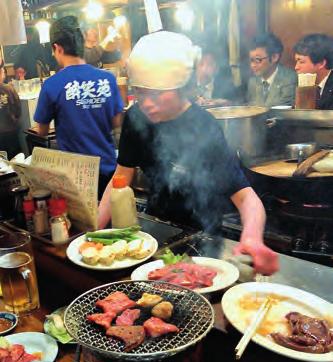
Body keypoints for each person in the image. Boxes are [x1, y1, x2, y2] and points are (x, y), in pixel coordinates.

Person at [98, 31, 279, 275]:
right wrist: (94, 233)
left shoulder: (204, 126)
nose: (147, 103)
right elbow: (120, 178)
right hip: (155, 232)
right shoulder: (135, 118)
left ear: (182, 87)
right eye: (140, 92)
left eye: (157, 93)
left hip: (203, 239)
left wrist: (253, 239)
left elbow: (246, 198)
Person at [34, 16, 123, 199]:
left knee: (81, 227)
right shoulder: (107, 79)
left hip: (75, 176)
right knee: (110, 225)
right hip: (108, 168)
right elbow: (116, 122)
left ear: (57, 48)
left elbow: (41, 131)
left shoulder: (52, 84)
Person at [247, 33, 297, 107]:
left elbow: (285, 108)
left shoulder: (290, 79)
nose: (253, 65)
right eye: (251, 60)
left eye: (258, 60)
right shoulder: (252, 81)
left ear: (274, 57)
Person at [294, 33, 333, 110]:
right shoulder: (300, 83)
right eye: (296, 61)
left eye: (301, 62)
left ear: (321, 63)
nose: (296, 67)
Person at [0, 59, 21, 159]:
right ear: (2, 72)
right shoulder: (9, 89)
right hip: (10, 132)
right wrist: (15, 120)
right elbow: (18, 110)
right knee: (14, 163)